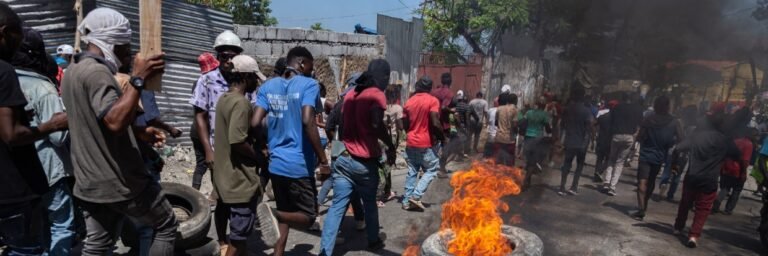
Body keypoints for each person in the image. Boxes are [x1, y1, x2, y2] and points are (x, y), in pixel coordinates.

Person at [61, 7, 177, 255]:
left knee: (98, 246)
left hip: (89, 180)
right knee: (165, 225)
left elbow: (97, 121)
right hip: (118, 181)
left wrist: (138, 132)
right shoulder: (97, 72)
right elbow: (114, 122)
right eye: (125, 45)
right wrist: (138, 78)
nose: (128, 52)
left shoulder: (72, 70)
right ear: (111, 42)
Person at [252, 46, 329, 256]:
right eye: (310, 67)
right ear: (302, 63)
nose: (311, 72)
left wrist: (263, 146)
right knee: (308, 216)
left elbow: (255, 122)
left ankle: (278, 252)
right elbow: (307, 120)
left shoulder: (268, 86)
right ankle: (273, 214)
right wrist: (323, 161)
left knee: (286, 211)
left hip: (276, 164)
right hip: (298, 165)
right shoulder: (309, 85)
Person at [319, 59, 394, 255]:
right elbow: (377, 124)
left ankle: (325, 251)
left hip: (343, 159)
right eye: (387, 78)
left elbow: (341, 125)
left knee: (337, 207)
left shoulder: (351, 94)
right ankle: (373, 241)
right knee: (369, 203)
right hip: (363, 163)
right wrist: (391, 145)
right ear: (384, 77)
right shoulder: (376, 94)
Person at [11, 26, 73, 255]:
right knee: (61, 223)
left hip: (15, 173)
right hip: (47, 170)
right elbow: (58, 137)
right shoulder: (42, 87)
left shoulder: (6, 82)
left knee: (30, 230)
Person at [189, 29, 245, 253]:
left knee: (241, 198)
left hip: (241, 148)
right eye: (224, 56)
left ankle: (238, 241)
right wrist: (208, 150)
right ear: (218, 57)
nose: (228, 61)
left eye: (233, 56)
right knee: (222, 198)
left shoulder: (245, 80)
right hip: (218, 150)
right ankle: (223, 241)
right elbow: (200, 117)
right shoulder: (207, 80)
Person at [212, 55, 267, 256]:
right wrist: (259, 157)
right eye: (254, 78)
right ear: (245, 76)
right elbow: (237, 141)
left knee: (240, 237)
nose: (256, 83)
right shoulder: (241, 103)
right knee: (238, 236)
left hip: (226, 176)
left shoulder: (224, 99)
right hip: (239, 180)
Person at [673, 106, 740, 248]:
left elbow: (678, 148)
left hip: (692, 176)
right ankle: (693, 235)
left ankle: (678, 227)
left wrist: (675, 164)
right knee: (702, 209)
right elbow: (737, 155)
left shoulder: (697, 136)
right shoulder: (725, 140)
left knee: (685, 203)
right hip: (710, 179)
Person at [631, 96, 682, 220]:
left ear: (655, 105)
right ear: (668, 106)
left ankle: (641, 208)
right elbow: (681, 139)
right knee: (651, 181)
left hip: (645, 154)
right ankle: (644, 205)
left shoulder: (648, 119)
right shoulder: (674, 122)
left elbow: (640, 137)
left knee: (642, 182)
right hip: (660, 156)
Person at [401, 76, 444, 211]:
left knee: (412, 171)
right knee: (432, 169)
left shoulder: (409, 101)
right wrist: (442, 137)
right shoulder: (432, 100)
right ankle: (416, 196)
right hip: (425, 143)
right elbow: (435, 122)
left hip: (411, 142)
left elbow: (404, 124)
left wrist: (411, 133)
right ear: (430, 88)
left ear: (417, 86)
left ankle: (406, 201)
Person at [602, 93, 644, 196]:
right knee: (620, 162)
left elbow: (610, 121)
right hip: (629, 137)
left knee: (611, 159)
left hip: (616, 135)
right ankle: (612, 187)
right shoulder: (637, 109)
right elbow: (640, 125)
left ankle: (606, 182)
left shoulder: (616, 107)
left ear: (622, 98)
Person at [191, 52, 220, 190]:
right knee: (215, 163)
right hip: (207, 130)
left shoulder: (198, 81)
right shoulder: (208, 82)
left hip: (196, 129)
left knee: (201, 164)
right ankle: (216, 195)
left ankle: (194, 193)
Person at [558, 87, 594, 196]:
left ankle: (562, 187)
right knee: (579, 165)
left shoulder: (568, 109)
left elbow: (562, 124)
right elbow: (589, 127)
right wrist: (590, 141)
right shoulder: (586, 111)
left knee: (567, 164)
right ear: (583, 97)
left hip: (569, 141)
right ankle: (573, 187)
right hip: (581, 143)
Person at [713, 127, 753, 215]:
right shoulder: (749, 144)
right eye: (756, 135)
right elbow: (745, 161)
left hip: (727, 167)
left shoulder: (736, 141)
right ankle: (728, 210)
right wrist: (744, 173)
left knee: (725, 188)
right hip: (738, 170)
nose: (757, 138)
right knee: (736, 190)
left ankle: (715, 206)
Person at [380, 83, 404, 205]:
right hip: (391, 138)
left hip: (380, 138)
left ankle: (387, 190)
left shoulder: (382, 107)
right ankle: (385, 191)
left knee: (383, 163)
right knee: (388, 164)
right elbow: (400, 126)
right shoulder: (398, 108)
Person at [521, 96, 552, 190]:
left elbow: (523, 122)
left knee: (529, 159)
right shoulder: (544, 115)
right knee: (533, 161)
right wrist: (551, 131)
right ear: (544, 105)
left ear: (537, 104)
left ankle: (528, 180)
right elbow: (548, 128)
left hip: (527, 137)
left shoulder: (529, 112)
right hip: (538, 139)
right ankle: (526, 180)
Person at [431, 73, 454, 175]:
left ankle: (430, 167)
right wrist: (452, 110)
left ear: (441, 81)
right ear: (450, 82)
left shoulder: (433, 92)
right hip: (444, 125)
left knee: (433, 145)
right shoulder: (449, 93)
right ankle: (442, 168)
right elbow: (444, 107)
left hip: (433, 121)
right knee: (446, 146)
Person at [594, 100, 618, 182]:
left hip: (601, 139)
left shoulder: (603, 116)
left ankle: (596, 174)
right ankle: (600, 171)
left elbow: (594, 124)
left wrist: (595, 135)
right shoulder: (617, 119)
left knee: (599, 158)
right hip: (610, 141)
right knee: (609, 158)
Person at [494, 92, 519, 166]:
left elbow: (496, 123)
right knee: (509, 162)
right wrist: (517, 131)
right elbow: (514, 125)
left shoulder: (499, 108)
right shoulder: (515, 109)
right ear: (515, 101)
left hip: (499, 138)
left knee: (498, 160)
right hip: (509, 139)